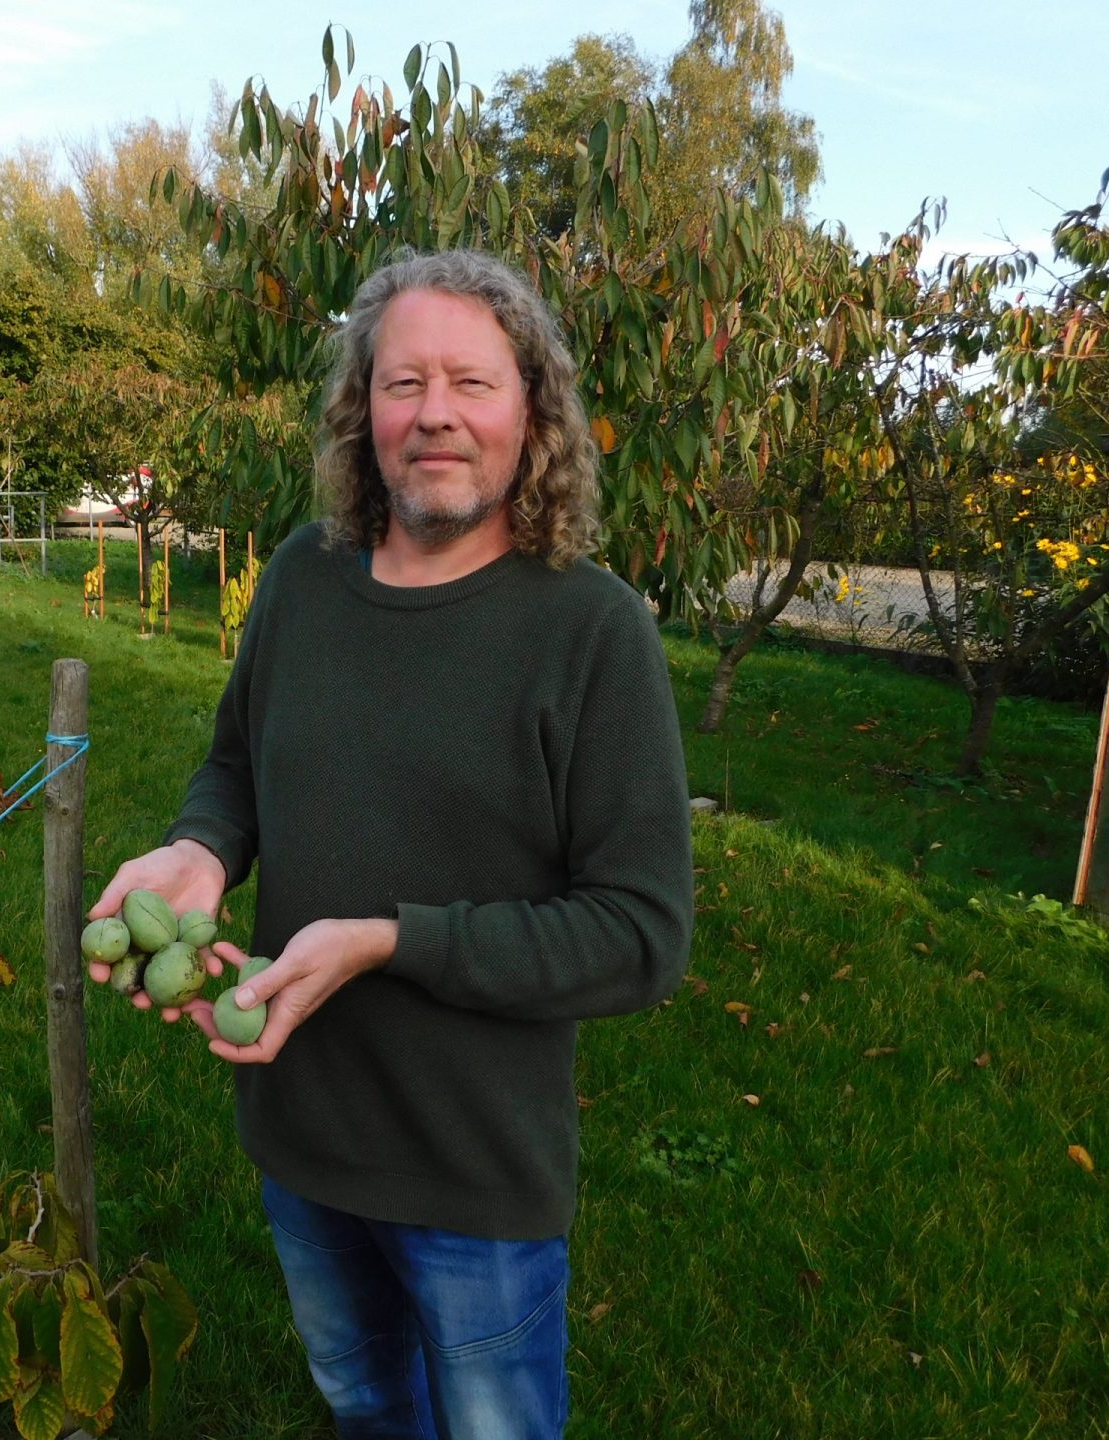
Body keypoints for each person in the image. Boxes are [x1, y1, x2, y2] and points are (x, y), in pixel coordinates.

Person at [86, 248, 693, 1439]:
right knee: (363, 1402)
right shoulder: (305, 582)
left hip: (473, 1169)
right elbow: (236, 768)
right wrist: (202, 851)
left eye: (472, 383)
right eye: (403, 383)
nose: (436, 417)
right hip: (301, 1130)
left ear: (534, 409)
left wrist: (387, 943)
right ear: (361, 411)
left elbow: (640, 936)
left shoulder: (591, 631)